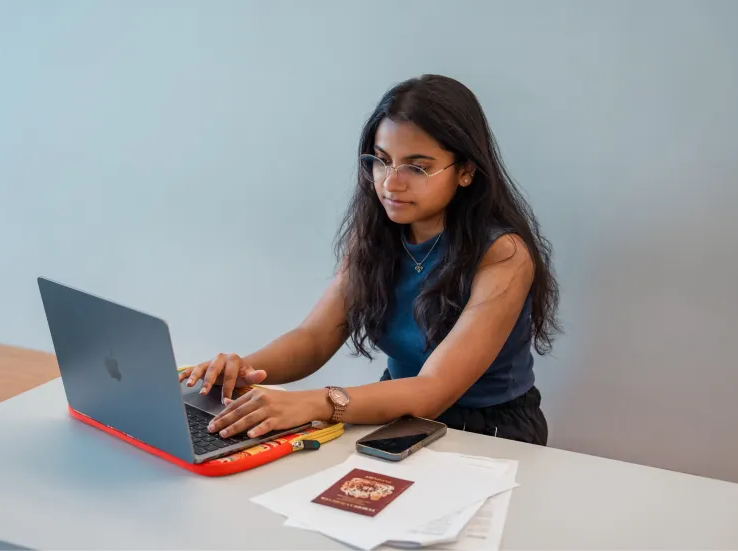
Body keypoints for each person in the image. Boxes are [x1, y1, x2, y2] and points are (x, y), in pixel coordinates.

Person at [179, 74, 560, 446]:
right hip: (394, 413)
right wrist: (240, 371)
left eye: (417, 167)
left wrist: (312, 402)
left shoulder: (503, 254)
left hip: (489, 432)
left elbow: (433, 390)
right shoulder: (377, 235)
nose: (391, 183)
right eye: (381, 161)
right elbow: (313, 338)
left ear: (465, 171)